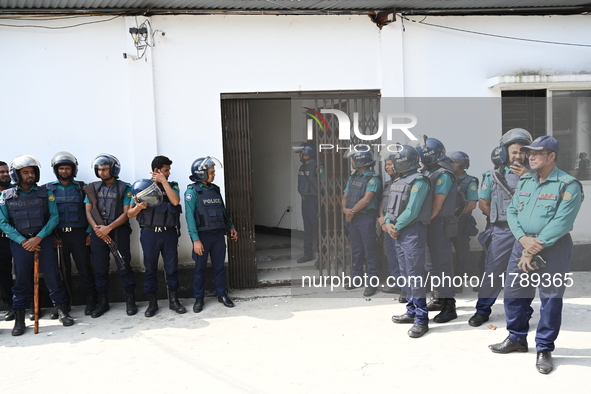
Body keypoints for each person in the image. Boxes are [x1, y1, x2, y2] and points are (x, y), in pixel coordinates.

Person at [489, 136, 583, 375]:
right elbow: (512, 211)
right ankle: (517, 338)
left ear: (551, 157)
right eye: (528, 153)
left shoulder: (567, 184)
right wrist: (522, 240)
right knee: (514, 293)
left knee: (550, 299)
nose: (529, 157)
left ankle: (544, 348)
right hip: (522, 244)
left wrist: (532, 248)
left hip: (553, 247)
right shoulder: (527, 180)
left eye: (536, 153)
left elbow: (562, 222)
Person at [0, 155, 73, 336]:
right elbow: (3, 222)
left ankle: (62, 311)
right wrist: (23, 241)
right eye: (25, 172)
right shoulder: (6, 196)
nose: (30, 175)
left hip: (43, 240)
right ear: (17, 175)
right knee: (21, 280)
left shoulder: (45, 192)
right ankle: (19, 319)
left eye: (32, 172)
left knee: (52, 275)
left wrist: (38, 238)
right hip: (21, 244)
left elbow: (54, 217)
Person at [468, 128, 532, 328]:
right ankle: (482, 310)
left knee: (523, 274)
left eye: (522, 151)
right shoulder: (492, 176)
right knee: (493, 271)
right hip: (502, 231)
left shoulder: (536, 176)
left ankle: (522, 313)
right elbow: (483, 203)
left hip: (527, 233)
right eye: (514, 152)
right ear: (505, 152)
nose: (518, 156)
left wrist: (528, 177)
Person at [128, 155, 186, 317]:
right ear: (156, 170)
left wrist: (164, 182)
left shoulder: (172, 185)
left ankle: (174, 301)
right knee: (150, 269)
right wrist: (138, 207)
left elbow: (175, 201)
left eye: (168, 170)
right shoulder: (142, 187)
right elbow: (130, 214)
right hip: (149, 234)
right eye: (166, 170)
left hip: (168, 233)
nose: (168, 173)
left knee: (172, 268)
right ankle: (152, 303)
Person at [385, 145, 432, 338]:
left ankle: (421, 320)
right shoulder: (399, 180)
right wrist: (388, 223)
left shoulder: (419, 181)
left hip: (412, 232)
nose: (392, 165)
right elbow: (390, 206)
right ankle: (411, 311)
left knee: (414, 275)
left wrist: (395, 227)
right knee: (405, 273)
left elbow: (413, 210)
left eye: (395, 161)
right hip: (399, 232)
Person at [84, 154, 137, 318]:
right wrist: (97, 229)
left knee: (123, 265)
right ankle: (103, 301)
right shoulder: (92, 188)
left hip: (118, 231)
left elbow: (127, 213)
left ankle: (130, 299)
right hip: (98, 231)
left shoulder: (125, 187)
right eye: (99, 169)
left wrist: (109, 228)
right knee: (100, 269)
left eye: (105, 169)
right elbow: (88, 210)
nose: (102, 172)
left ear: (113, 169)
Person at [185, 157, 238, 313]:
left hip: (218, 234)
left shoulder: (215, 189)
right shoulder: (192, 192)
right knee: (200, 268)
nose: (214, 175)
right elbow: (190, 217)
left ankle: (222, 295)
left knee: (219, 267)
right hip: (202, 236)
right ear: (201, 174)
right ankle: (199, 298)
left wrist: (231, 226)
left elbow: (222, 209)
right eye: (211, 172)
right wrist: (195, 240)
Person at [47, 152, 96, 316]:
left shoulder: (82, 188)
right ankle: (63, 304)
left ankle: (91, 300)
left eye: (67, 168)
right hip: (59, 237)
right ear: (56, 170)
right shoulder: (48, 189)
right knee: (61, 271)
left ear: (73, 170)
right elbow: (45, 214)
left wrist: (89, 232)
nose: (64, 171)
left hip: (79, 234)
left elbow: (91, 211)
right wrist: (51, 237)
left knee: (84, 267)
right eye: (61, 168)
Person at [416, 136, 458, 323]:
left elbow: (437, 206)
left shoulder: (443, 174)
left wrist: (422, 222)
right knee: (432, 265)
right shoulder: (427, 172)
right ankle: (440, 298)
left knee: (442, 265)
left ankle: (450, 306)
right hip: (430, 224)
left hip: (438, 224)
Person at [341, 150, 381, 297]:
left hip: (365, 218)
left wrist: (350, 213)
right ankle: (357, 277)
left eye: (353, 160)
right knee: (356, 249)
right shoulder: (353, 177)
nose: (351, 162)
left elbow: (367, 200)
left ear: (360, 162)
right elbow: (345, 195)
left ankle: (372, 281)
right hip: (353, 219)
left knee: (369, 249)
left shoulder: (373, 178)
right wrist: (345, 210)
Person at [448, 151, 479, 291]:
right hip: (446, 222)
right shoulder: (447, 178)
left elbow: (472, 204)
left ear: (461, 165)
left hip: (461, 222)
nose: (450, 165)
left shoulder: (470, 181)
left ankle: (458, 281)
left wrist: (456, 214)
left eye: (452, 163)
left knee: (462, 253)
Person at [292, 142, 325, 268]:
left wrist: (324, 200)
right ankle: (307, 253)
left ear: (307, 153)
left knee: (318, 229)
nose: (299, 155)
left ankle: (323, 256)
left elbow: (325, 184)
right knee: (307, 229)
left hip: (315, 200)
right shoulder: (302, 167)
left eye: (301, 152)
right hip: (305, 200)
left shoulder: (317, 166)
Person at [378, 155, 402, 295]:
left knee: (402, 256)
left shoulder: (404, 182)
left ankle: (404, 284)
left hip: (398, 225)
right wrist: (382, 218)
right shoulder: (387, 184)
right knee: (391, 255)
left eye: (390, 164)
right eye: (386, 164)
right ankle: (396, 282)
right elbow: (383, 202)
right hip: (387, 225)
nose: (387, 167)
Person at [0, 161, 15, 321]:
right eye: (1, 172)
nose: (5, 174)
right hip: (1, 241)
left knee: (24, 271)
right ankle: (11, 305)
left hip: (18, 238)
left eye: (6, 172)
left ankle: (29, 304)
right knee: (3, 274)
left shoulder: (15, 191)